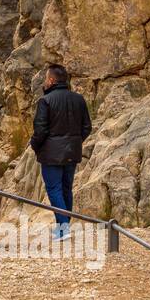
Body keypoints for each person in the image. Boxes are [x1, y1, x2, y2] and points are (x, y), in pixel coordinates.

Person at [30, 63, 92, 239]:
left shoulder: (45, 101)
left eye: (45, 79)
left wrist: (35, 145)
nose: (44, 82)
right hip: (72, 152)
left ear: (51, 80)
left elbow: (40, 130)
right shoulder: (78, 99)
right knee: (66, 189)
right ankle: (63, 227)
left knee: (54, 189)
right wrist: (75, 141)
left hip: (51, 155)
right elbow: (87, 127)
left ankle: (64, 228)